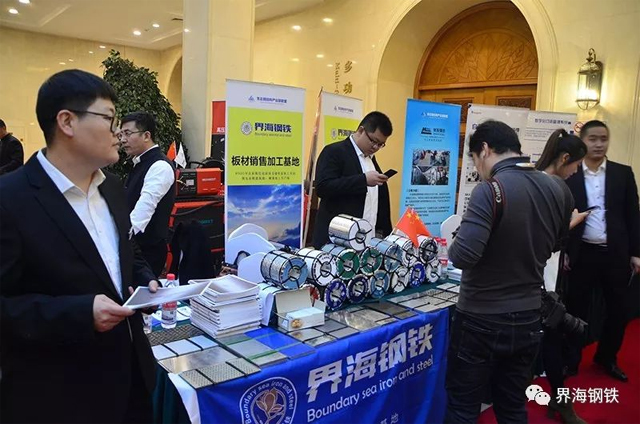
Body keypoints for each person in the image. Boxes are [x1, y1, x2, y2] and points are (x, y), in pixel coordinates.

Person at [0, 69, 159, 423]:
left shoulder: (111, 187)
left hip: (130, 382)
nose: (118, 133)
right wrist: (79, 313)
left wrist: (145, 281)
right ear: (67, 122)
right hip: (57, 395)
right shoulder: (11, 199)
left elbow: (127, 251)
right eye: (109, 119)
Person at [445, 120, 574, 423]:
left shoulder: (490, 190)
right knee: (513, 406)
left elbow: (463, 255)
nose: (478, 168)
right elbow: (557, 243)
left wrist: (456, 240)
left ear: (484, 150)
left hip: (480, 317)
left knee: (463, 407)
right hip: (529, 317)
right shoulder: (557, 188)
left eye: (475, 159)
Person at [564, 120, 640, 383]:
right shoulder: (572, 173)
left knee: (618, 310)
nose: (599, 144)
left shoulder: (622, 173)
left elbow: (633, 215)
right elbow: (562, 215)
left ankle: (607, 358)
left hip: (616, 254)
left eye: (603, 139)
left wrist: (636, 252)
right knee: (575, 309)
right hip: (582, 253)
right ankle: (571, 360)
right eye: (593, 139)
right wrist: (564, 250)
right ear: (582, 141)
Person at [535, 129, 588, 423]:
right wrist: (572, 223)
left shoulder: (531, 179)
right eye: (576, 164)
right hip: (541, 275)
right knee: (552, 335)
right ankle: (561, 400)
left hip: (535, 273)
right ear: (565, 158)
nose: (576, 171)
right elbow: (545, 238)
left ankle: (559, 399)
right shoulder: (554, 189)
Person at [312, 111, 393, 248]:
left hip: (367, 239)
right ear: (361, 130)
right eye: (373, 141)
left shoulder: (371, 159)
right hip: (337, 239)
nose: (375, 147)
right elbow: (323, 187)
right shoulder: (334, 151)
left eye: (381, 144)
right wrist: (363, 180)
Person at [119, 111, 176, 277]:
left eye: (128, 133)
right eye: (121, 134)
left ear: (146, 136)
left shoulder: (159, 166)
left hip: (146, 254)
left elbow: (143, 210)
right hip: (133, 249)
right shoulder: (139, 162)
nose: (123, 140)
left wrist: (119, 240)